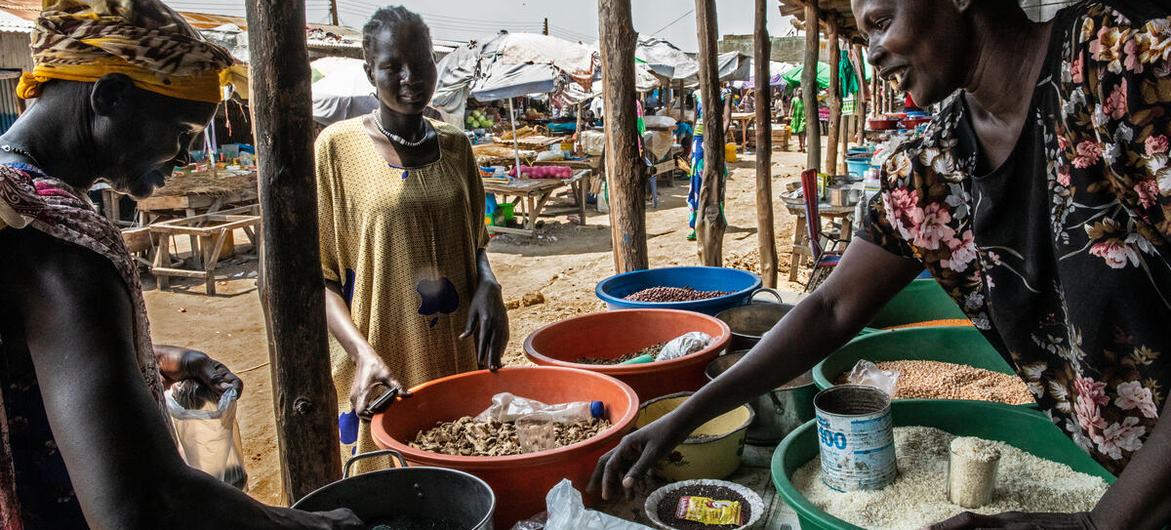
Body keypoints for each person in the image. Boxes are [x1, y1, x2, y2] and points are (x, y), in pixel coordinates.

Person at [595, 2, 1171, 529]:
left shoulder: (1123, 65)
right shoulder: (932, 170)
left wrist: (1099, 525)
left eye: (880, 20)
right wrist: (681, 419)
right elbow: (829, 305)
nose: (871, 50)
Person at [0, 1, 362, 528]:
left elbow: (31, 356)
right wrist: (305, 524)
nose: (185, 159)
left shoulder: (11, 201)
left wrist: (156, 357)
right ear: (113, 97)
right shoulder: (57, 239)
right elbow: (140, 505)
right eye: (183, 132)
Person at [316, 6, 508, 470]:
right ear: (370, 72)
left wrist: (489, 284)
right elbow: (318, 278)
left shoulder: (456, 144)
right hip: (387, 358)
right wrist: (362, 355)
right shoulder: (336, 150)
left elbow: (476, 241)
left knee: (469, 469)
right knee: (397, 486)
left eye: (422, 64)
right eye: (392, 66)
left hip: (462, 348)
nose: (411, 78)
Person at [686, 86, 733, 241]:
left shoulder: (725, 93)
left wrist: (718, 138)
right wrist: (691, 149)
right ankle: (696, 223)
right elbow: (695, 120)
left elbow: (726, 118)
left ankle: (716, 219)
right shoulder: (696, 93)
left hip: (716, 137)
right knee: (696, 180)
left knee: (716, 178)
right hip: (698, 138)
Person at [790, 86, 807, 152]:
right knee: (799, 132)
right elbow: (791, 108)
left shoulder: (804, 99)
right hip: (796, 117)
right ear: (796, 92)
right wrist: (789, 116)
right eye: (799, 91)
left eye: (801, 91)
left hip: (803, 117)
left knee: (803, 131)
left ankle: (803, 146)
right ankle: (800, 146)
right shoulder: (794, 99)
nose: (800, 92)